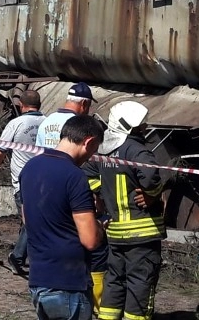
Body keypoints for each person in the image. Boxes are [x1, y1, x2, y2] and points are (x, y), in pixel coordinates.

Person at [84, 101, 166, 320]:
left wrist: (101, 194)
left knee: (115, 280)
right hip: (142, 232)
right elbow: (150, 178)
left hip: (116, 231)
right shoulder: (137, 150)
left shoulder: (103, 149)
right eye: (141, 125)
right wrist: (152, 194)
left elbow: (87, 172)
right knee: (141, 281)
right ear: (130, 126)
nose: (145, 128)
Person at [20, 115, 106, 320]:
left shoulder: (30, 168)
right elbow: (90, 240)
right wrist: (100, 224)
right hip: (69, 284)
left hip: (39, 278)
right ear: (89, 141)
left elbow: (27, 219)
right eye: (93, 151)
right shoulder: (75, 176)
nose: (90, 157)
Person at [0, 89, 45, 276]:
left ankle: (18, 257)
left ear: (21, 105)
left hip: (24, 183)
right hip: (46, 181)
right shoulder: (48, 122)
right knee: (34, 220)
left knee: (31, 221)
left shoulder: (16, 124)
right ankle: (27, 257)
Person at [35, 83, 95, 149]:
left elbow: (37, 149)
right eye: (89, 106)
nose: (88, 111)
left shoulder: (48, 119)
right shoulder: (80, 125)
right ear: (84, 103)